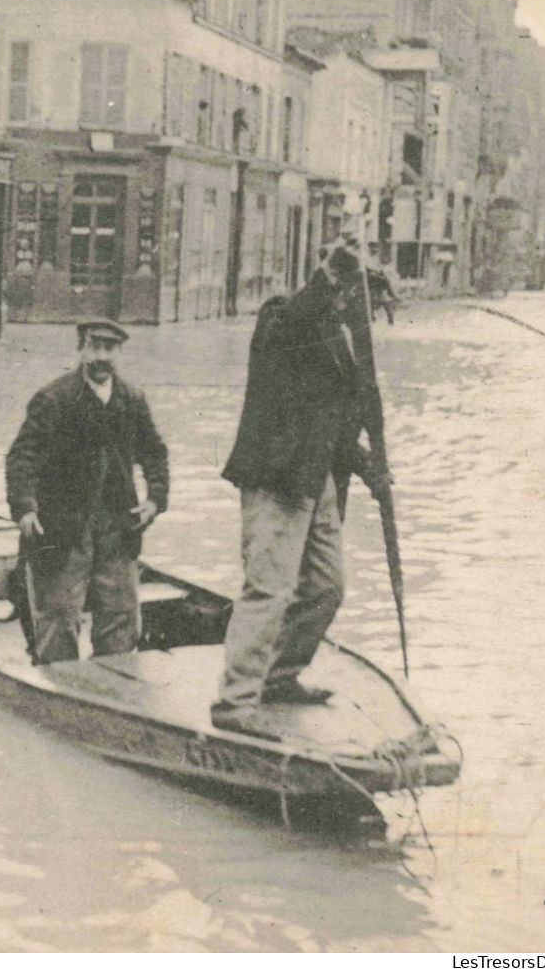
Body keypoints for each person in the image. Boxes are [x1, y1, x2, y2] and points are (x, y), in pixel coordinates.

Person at [211, 243, 386, 739]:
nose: (350, 299)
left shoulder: (338, 335)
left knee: (327, 587)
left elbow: (334, 424)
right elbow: (294, 324)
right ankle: (235, 701)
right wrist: (327, 276)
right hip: (276, 477)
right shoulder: (281, 320)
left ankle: (278, 677)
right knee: (268, 588)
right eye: (345, 289)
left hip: (318, 479)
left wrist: (370, 468)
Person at [5, 319, 170, 663]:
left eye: (109, 348)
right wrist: (25, 508)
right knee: (59, 615)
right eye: (94, 347)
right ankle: (58, 689)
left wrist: (155, 498)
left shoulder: (131, 399)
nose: (101, 356)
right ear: (80, 350)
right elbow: (22, 457)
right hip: (63, 527)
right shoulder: (54, 399)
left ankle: (116, 686)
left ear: (119, 353)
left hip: (118, 526)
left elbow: (154, 452)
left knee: (121, 616)